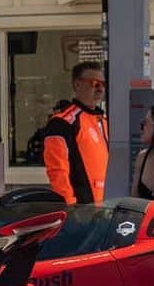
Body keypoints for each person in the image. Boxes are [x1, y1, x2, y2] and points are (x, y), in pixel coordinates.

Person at [43, 64, 109, 204]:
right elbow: (57, 170)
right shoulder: (63, 123)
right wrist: (69, 205)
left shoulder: (103, 121)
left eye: (103, 84)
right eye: (95, 83)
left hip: (107, 208)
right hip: (82, 210)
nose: (100, 89)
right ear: (77, 84)